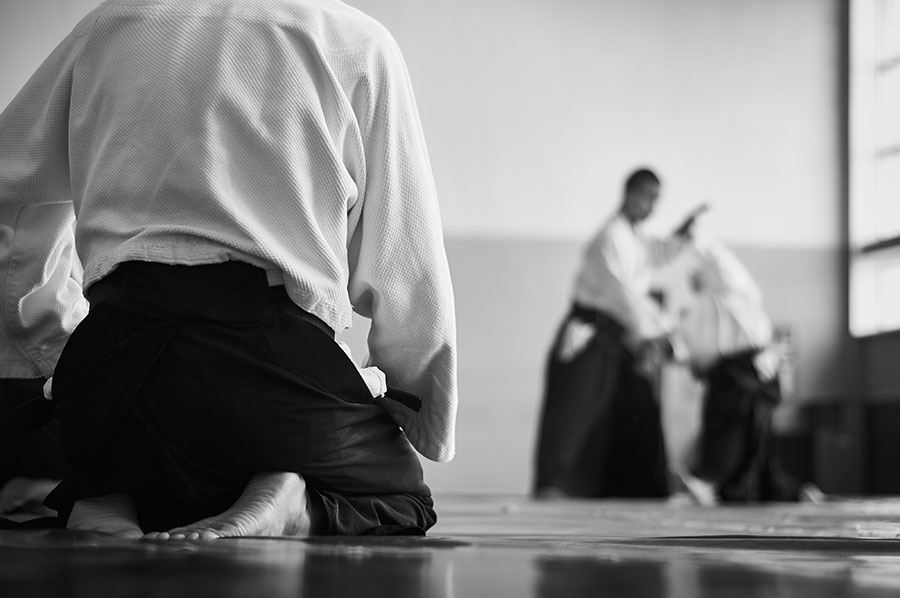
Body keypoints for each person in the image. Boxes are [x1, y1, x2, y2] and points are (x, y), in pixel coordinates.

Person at [0, 0, 457, 539]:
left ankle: (107, 493)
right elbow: (404, 258)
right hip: (274, 364)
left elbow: (12, 197)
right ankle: (294, 497)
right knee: (401, 497)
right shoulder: (356, 41)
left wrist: (55, 349)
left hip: (114, 356)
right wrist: (416, 407)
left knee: (114, 431)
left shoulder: (111, 25)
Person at [532, 168, 700, 499]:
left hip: (619, 339)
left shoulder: (635, 235)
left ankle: (642, 490)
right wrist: (661, 332)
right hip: (590, 337)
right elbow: (625, 298)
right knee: (574, 414)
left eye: (656, 199)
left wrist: (680, 236)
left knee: (636, 409)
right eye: (647, 197)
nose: (652, 206)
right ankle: (553, 486)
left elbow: (656, 254)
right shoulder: (610, 237)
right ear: (629, 194)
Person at [673, 238, 820, 504]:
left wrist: (693, 239)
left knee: (738, 435)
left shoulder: (735, 291)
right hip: (728, 376)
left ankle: (723, 483)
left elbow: (720, 259)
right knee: (750, 441)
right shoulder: (701, 311)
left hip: (746, 372)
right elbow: (694, 355)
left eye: (698, 279)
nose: (694, 284)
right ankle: (773, 489)